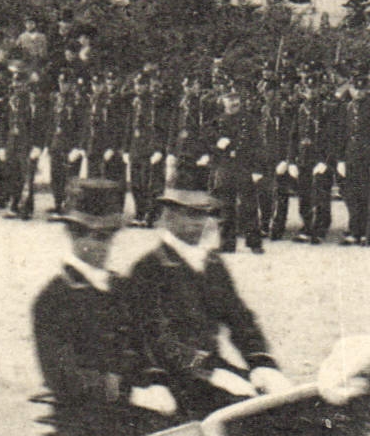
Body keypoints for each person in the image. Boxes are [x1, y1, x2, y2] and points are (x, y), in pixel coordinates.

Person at [123, 179, 290, 422]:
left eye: (203, 214)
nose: (198, 222)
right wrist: (210, 372)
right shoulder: (150, 267)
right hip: (169, 379)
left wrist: (260, 361)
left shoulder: (212, 264)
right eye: (189, 214)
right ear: (168, 217)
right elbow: (155, 336)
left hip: (209, 371)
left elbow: (239, 317)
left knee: (280, 403)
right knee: (248, 414)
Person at [31, 179, 151, 436]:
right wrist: (117, 386)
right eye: (91, 235)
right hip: (84, 423)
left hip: (127, 416)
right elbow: (61, 375)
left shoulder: (121, 287)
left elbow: (143, 345)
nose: (101, 246)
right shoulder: (55, 297)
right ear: (72, 234)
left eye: (108, 236)